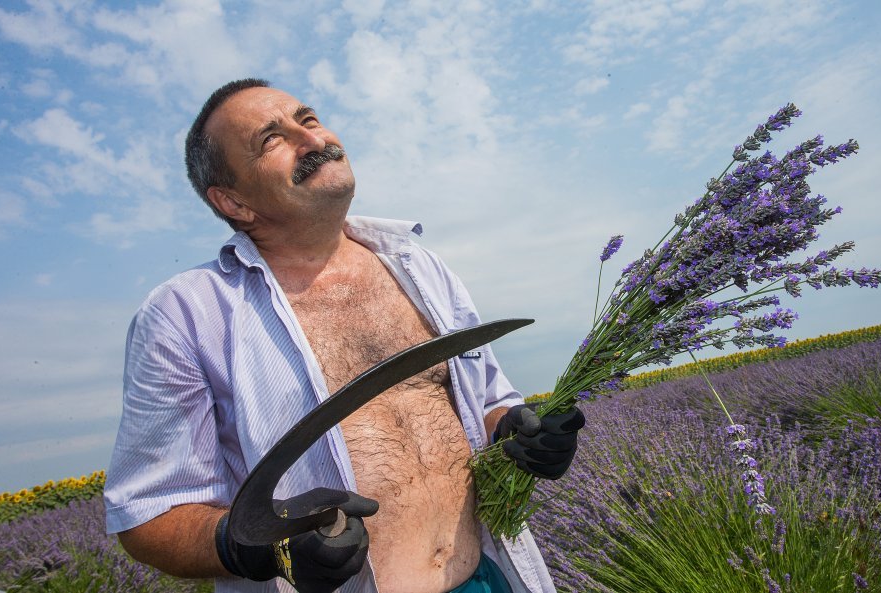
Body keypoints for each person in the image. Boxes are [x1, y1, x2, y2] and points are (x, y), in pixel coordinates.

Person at [103, 78, 585, 593]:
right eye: (272, 139)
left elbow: (486, 400)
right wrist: (254, 547)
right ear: (235, 202)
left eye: (307, 119)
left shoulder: (416, 266)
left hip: (487, 579)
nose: (311, 140)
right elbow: (149, 515)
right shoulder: (186, 313)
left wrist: (514, 431)